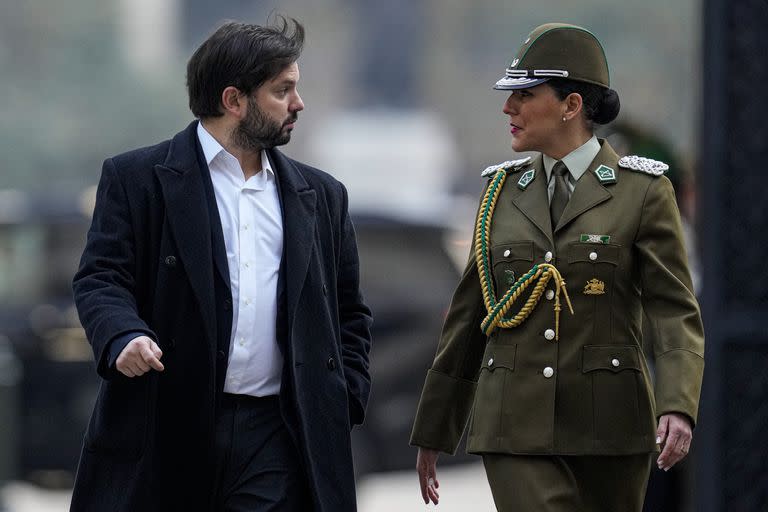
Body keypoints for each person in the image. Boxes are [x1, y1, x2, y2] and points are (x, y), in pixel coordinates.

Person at [71, 17, 372, 512]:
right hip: (164, 425)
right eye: (283, 90)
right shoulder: (136, 178)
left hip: (277, 438)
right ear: (234, 101)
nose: (299, 104)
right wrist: (122, 335)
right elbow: (101, 278)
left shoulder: (322, 195)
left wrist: (343, 398)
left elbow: (350, 312)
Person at [410, 23, 704, 511]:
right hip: (514, 426)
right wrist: (436, 429)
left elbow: (673, 310)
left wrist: (677, 404)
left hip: (611, 428)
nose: (509, 108)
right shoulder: (498, 193)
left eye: (525, 95)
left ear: (571, 106)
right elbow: (468, 320)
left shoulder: (643, 193)